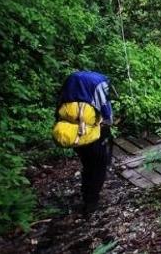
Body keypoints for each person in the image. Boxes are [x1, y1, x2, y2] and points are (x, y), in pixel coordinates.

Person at [56, 71, 113, 216]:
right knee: (99, 166)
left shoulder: (69, 89)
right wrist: (107, 122)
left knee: (87, 165)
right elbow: (107, 114)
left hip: (73, 136)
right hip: (91, 136)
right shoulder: (99, 85)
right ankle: (91, 202)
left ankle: (86, 193)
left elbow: (57, 111)